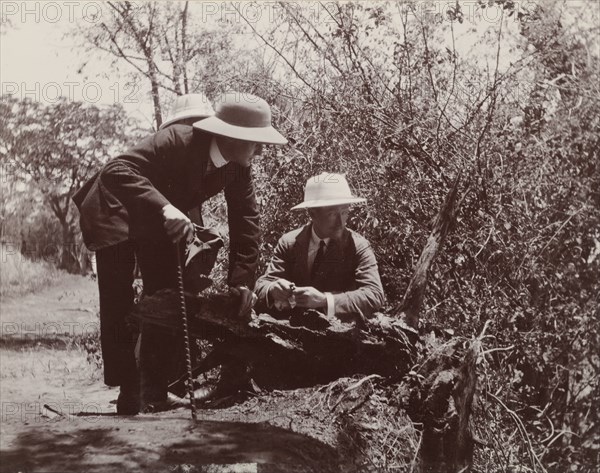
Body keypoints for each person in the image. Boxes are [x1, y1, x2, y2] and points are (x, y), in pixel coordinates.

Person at [73, 92, 286, 414]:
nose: (260, 149)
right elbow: (115, 171)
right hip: (113, 208)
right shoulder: (177, 139)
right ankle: (129, 392)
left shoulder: (239, 167)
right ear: (231, 135)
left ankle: (155, 392)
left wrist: (243, 280)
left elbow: (246, 220)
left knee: (168, 293)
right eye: (255, 141)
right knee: (119, 299)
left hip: (153, 218)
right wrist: (167, 208)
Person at [255, 173, 385, 320]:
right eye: (332, 214)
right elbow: (262, 284)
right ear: (312, 213)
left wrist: (325, 300)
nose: (340, 222)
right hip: (289, 334)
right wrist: (273, 290)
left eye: (344, 213)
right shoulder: (289, 242)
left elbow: (375, 295)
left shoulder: (357, 246)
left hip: (339, 336)